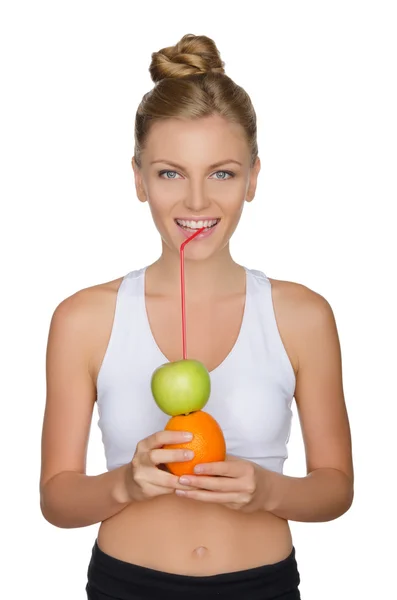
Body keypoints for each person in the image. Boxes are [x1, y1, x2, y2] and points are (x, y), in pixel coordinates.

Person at [39, 33, 354, 600]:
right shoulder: (83, 319)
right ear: (138, 178)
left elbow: (336, 489)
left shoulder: (303, 316)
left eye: (222, 173)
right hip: (126, 585)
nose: (196, 203)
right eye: (169, 173)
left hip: (262, 586)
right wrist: (125, 486)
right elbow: (57, 500)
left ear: (254, 177)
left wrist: (265, 491)